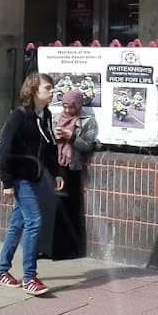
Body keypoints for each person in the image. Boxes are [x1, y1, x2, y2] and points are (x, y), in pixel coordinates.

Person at [0, 72, 62, 296]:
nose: (52, 92)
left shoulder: (46, 115)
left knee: (18, 224)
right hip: (20, 177)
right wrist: (7, 182)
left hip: (35, 176)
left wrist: (56, 173)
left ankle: (1, 271)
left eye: (52, 88)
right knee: (34, 222)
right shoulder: (19, 116)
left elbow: (49, 147)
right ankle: (29, 277)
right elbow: (4, 150)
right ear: (33, 91)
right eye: (47, 88)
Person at [50, 88, 98, 260]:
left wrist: (71, 137)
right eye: (64, 106)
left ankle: (68, 250)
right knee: (52, 207)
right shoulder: (56, 118)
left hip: (72, 168)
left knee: (68, 208)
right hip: (55, 166)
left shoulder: (87, 121)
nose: (68, 110)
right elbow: (47, 141)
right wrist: (55, 137)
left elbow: (88, 145)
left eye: (71, 107)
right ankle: (49, 248)